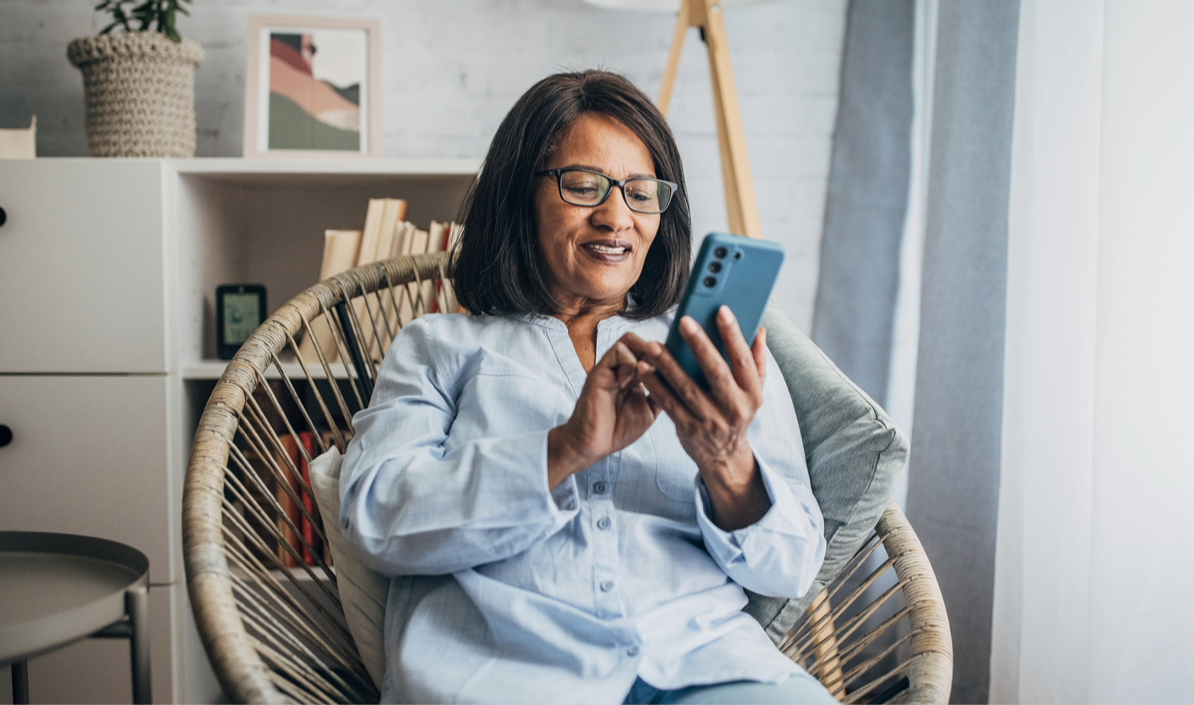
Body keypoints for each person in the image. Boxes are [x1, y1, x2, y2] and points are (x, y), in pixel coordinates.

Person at [339, 70, 834, 705]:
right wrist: (566, 448)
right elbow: (377, 519)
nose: (615, 217)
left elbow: (791, 567)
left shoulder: (710, 350)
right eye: (583, 185)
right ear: (522, 195)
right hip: (507, 674)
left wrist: (727, 461)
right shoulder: (438, 347)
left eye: (640, 191)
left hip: (703, 665)